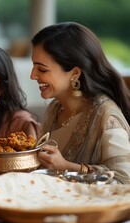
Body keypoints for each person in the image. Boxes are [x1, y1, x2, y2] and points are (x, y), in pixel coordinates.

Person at [31, 22, 130, 184]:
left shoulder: (106, 116)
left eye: (42, 69)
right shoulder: (55, 108)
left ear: (75, 73)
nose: (32, 76)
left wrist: (66, 166)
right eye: (33, 66)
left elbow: (124, 181)